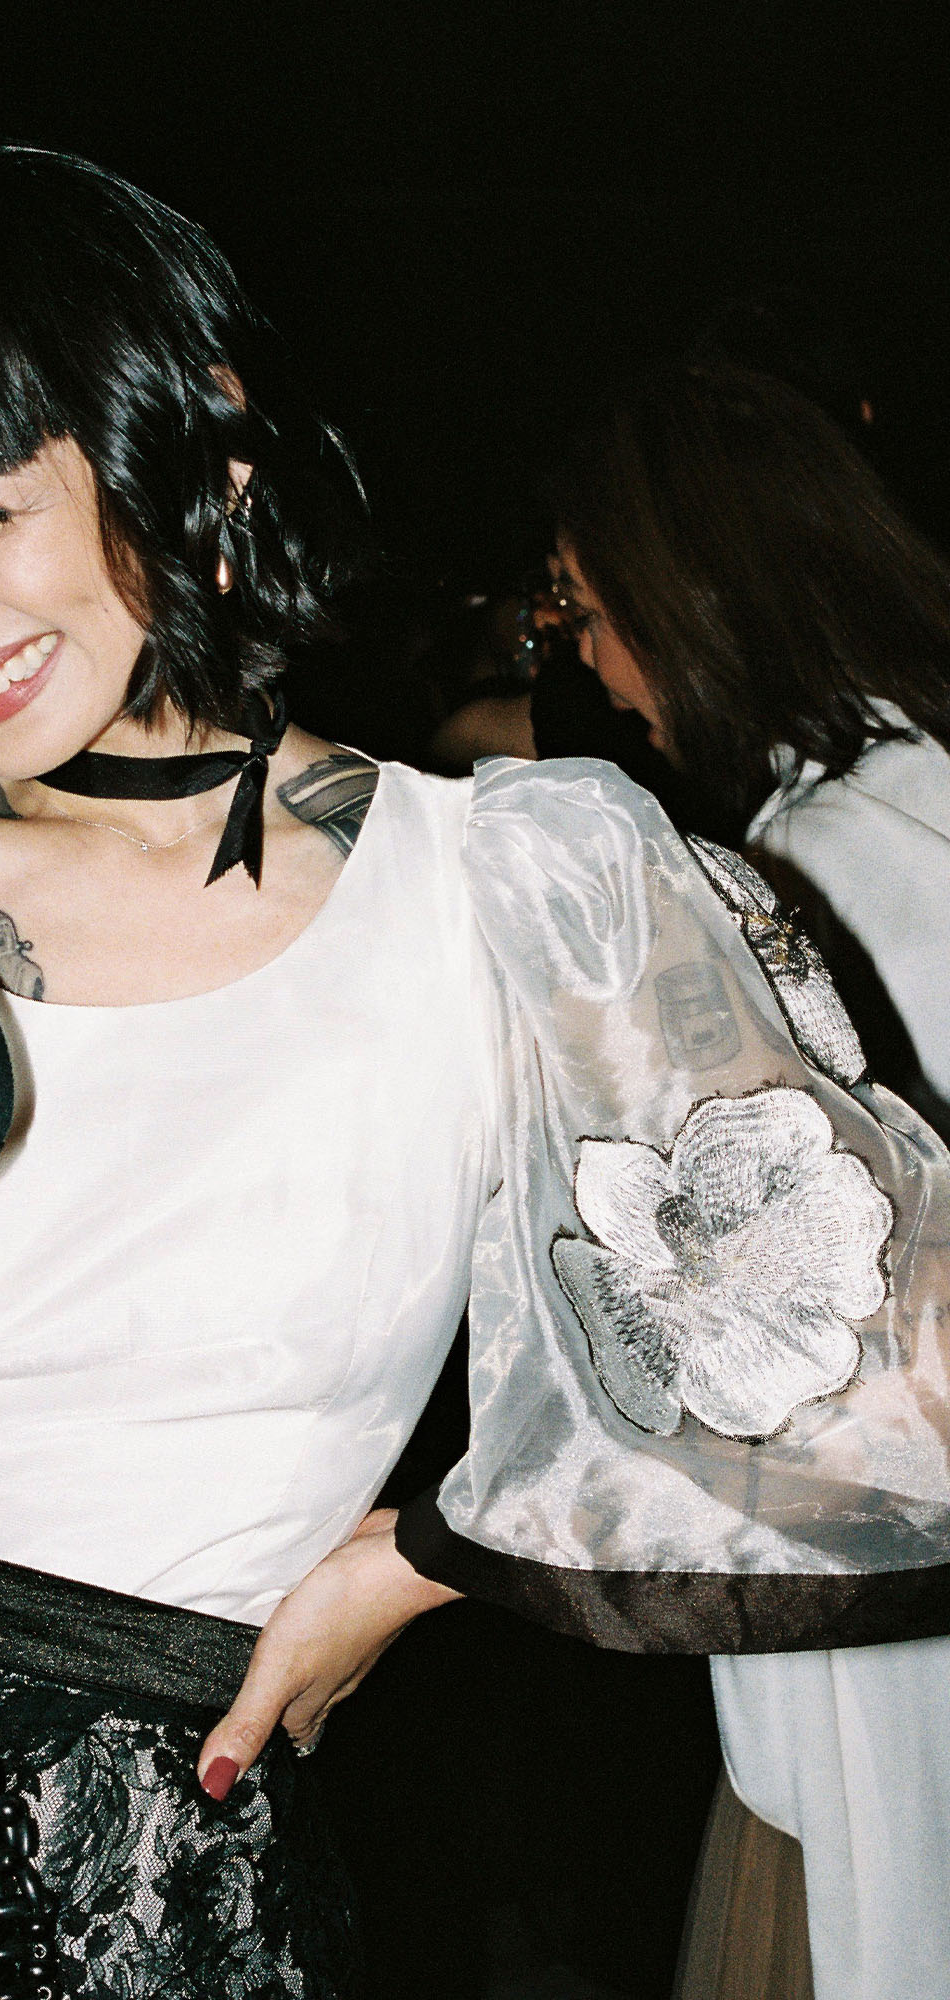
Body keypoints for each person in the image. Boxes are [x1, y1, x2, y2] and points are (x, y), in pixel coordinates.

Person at [0, 153, 950, 1998]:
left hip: (169, 1899)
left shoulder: (516, 890)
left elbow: (897, 1380)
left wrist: (438, 1553)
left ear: (200, 456)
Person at [550, 358, 950, 2000]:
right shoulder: (905, 809)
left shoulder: (823, 874)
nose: (585, 660)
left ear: (693, 598)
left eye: (589, 612)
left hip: (886, 1636)